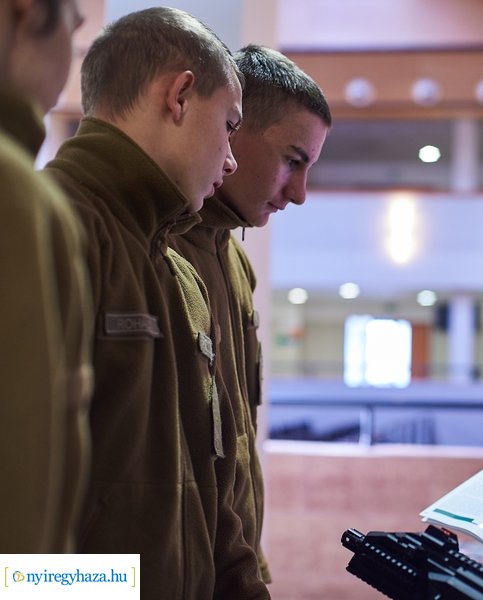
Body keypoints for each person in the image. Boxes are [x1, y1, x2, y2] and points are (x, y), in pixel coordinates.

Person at [44, 8, 268, 599]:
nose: (231, 158)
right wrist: (113, 589)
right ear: (181, 96)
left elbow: (211, 482)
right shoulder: (50, 230)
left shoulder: (175, 268)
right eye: (229, 125)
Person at [171, 44, 332, 584]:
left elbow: (232, 445)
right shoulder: (155, 249)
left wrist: (249, 568)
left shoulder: (233, 259)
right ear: (232, 129)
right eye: (293, 160)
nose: (301, 193)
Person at [0, 0, 91, 553]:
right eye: (75, 34)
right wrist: (107, 586)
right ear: (28, 12)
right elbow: (21, 537)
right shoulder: (17, 198)